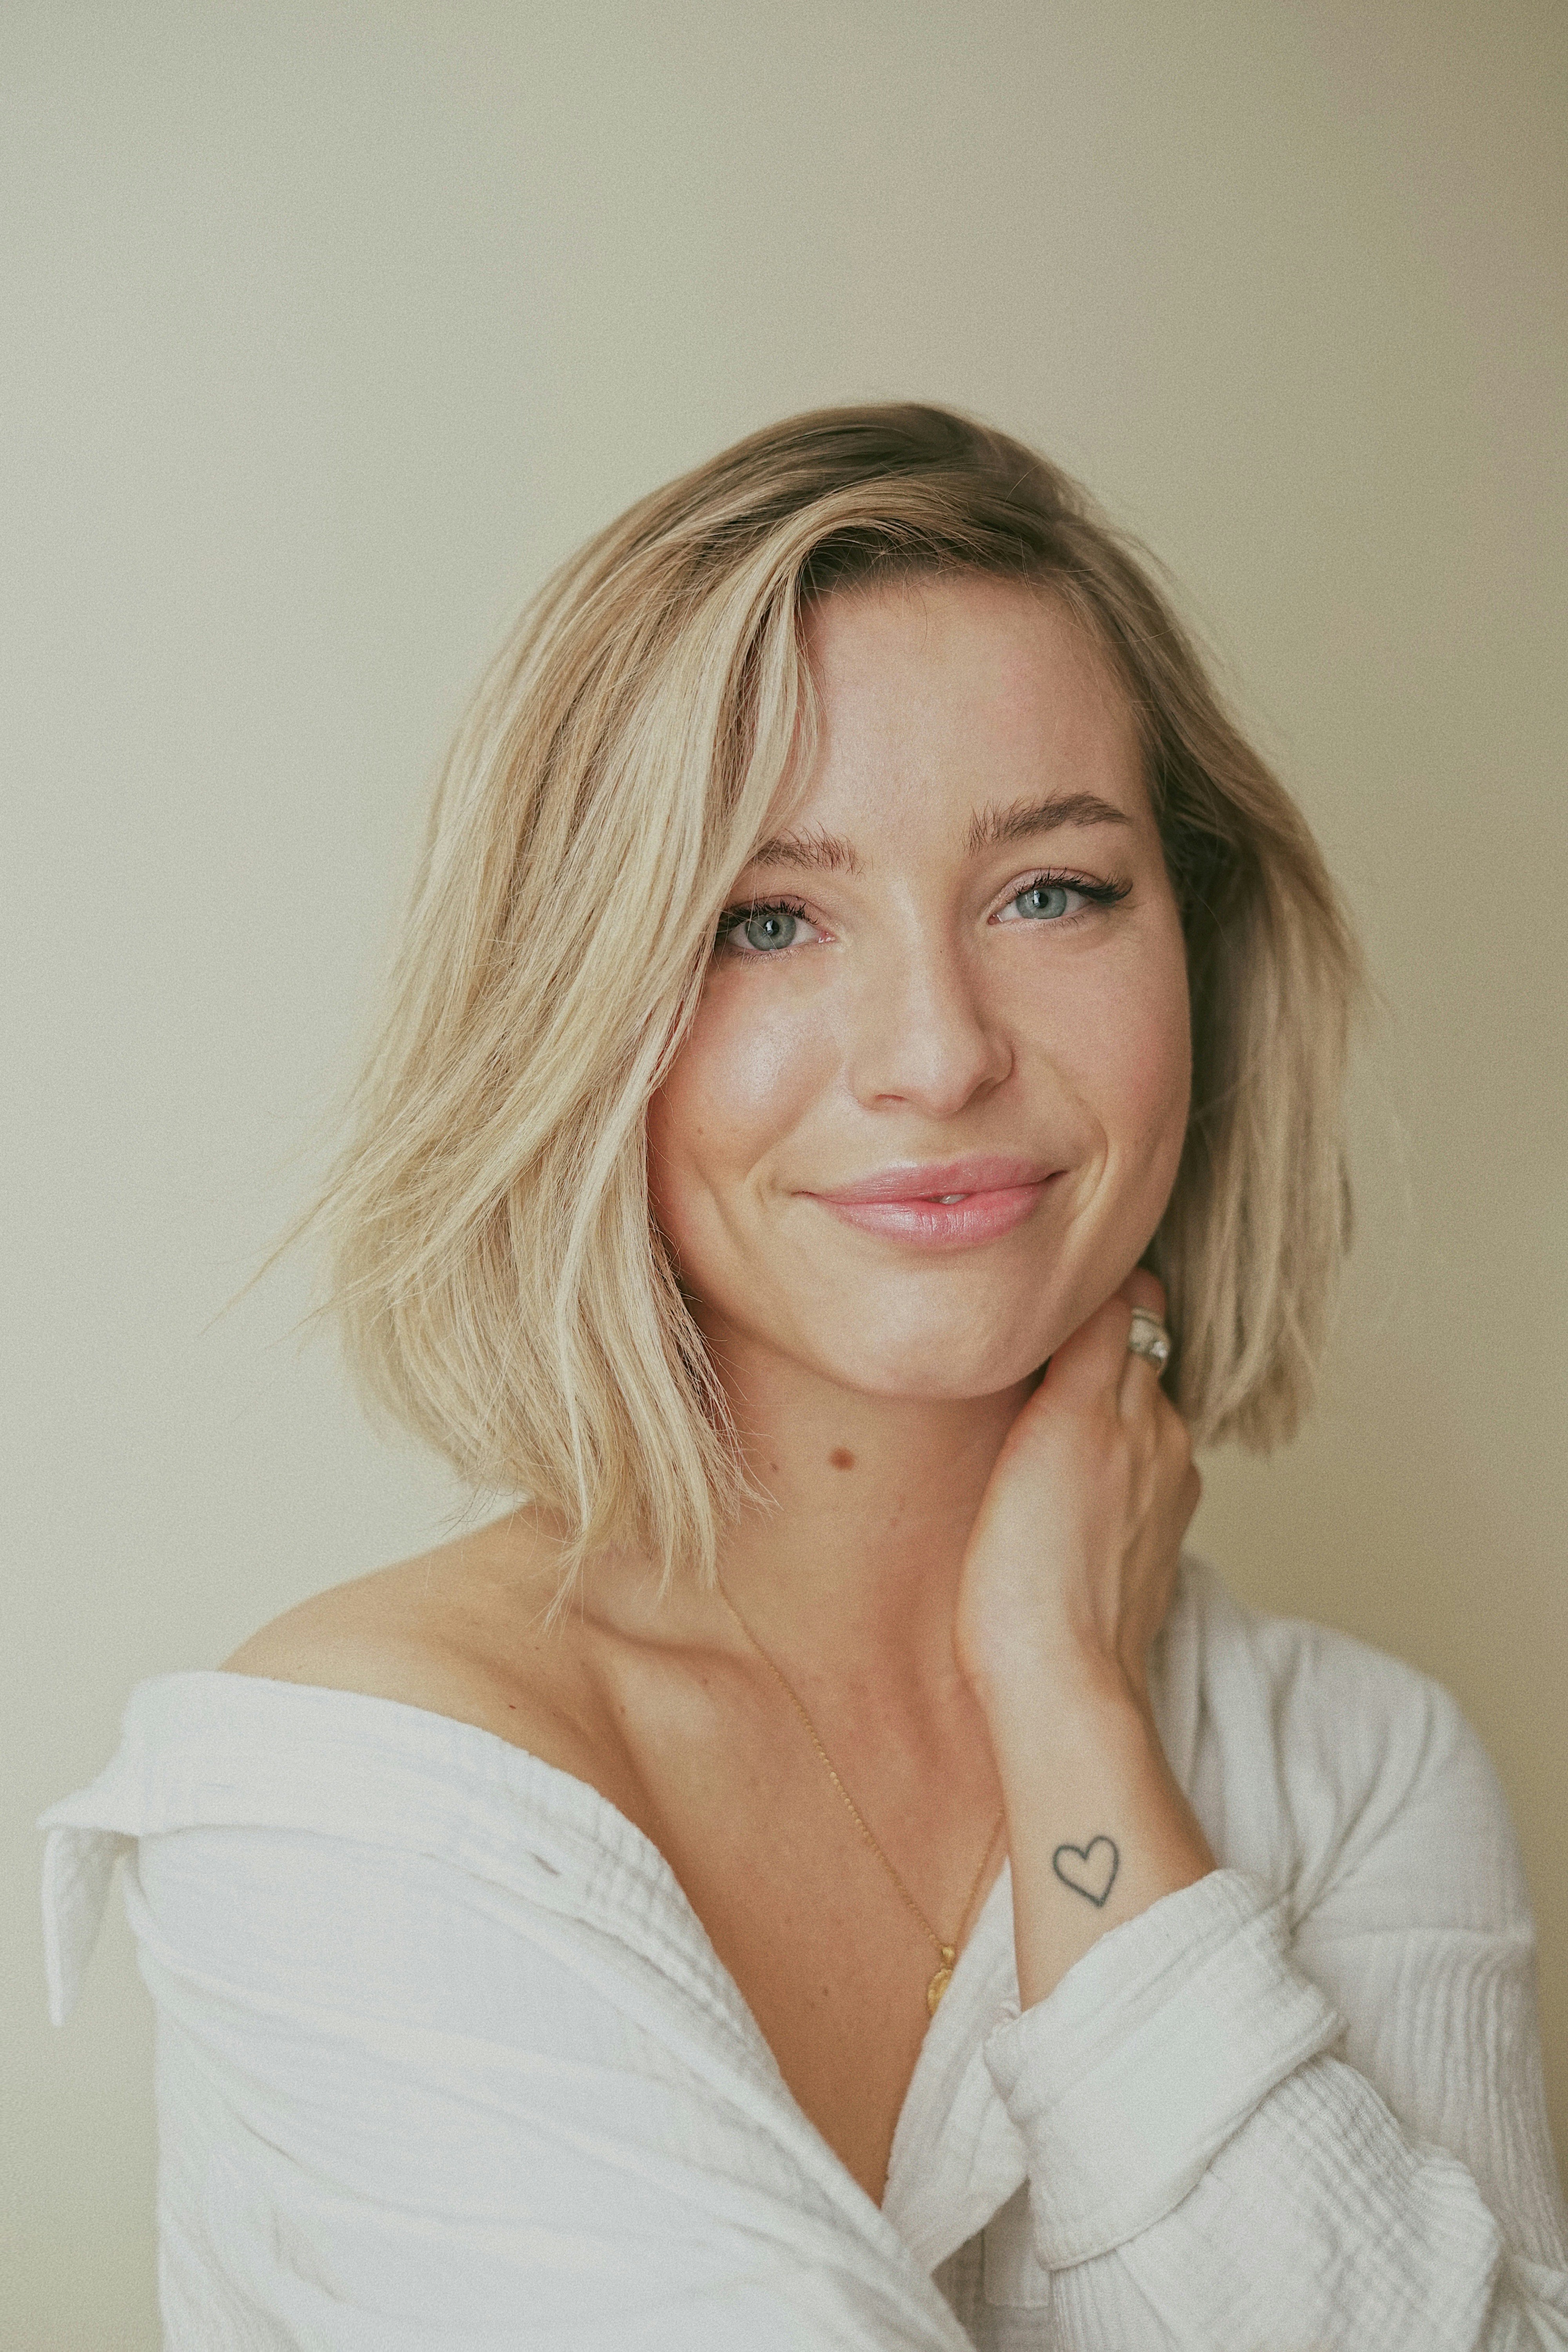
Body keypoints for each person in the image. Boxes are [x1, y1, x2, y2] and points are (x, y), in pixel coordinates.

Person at [42, 405, 1568, 2348]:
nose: (934, 1054)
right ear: (580, 1012)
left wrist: (1066, 1697)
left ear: (1203, 950)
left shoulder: (1353, 1767)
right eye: (768, 919)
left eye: (1052, 891)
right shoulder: (361, 1795)